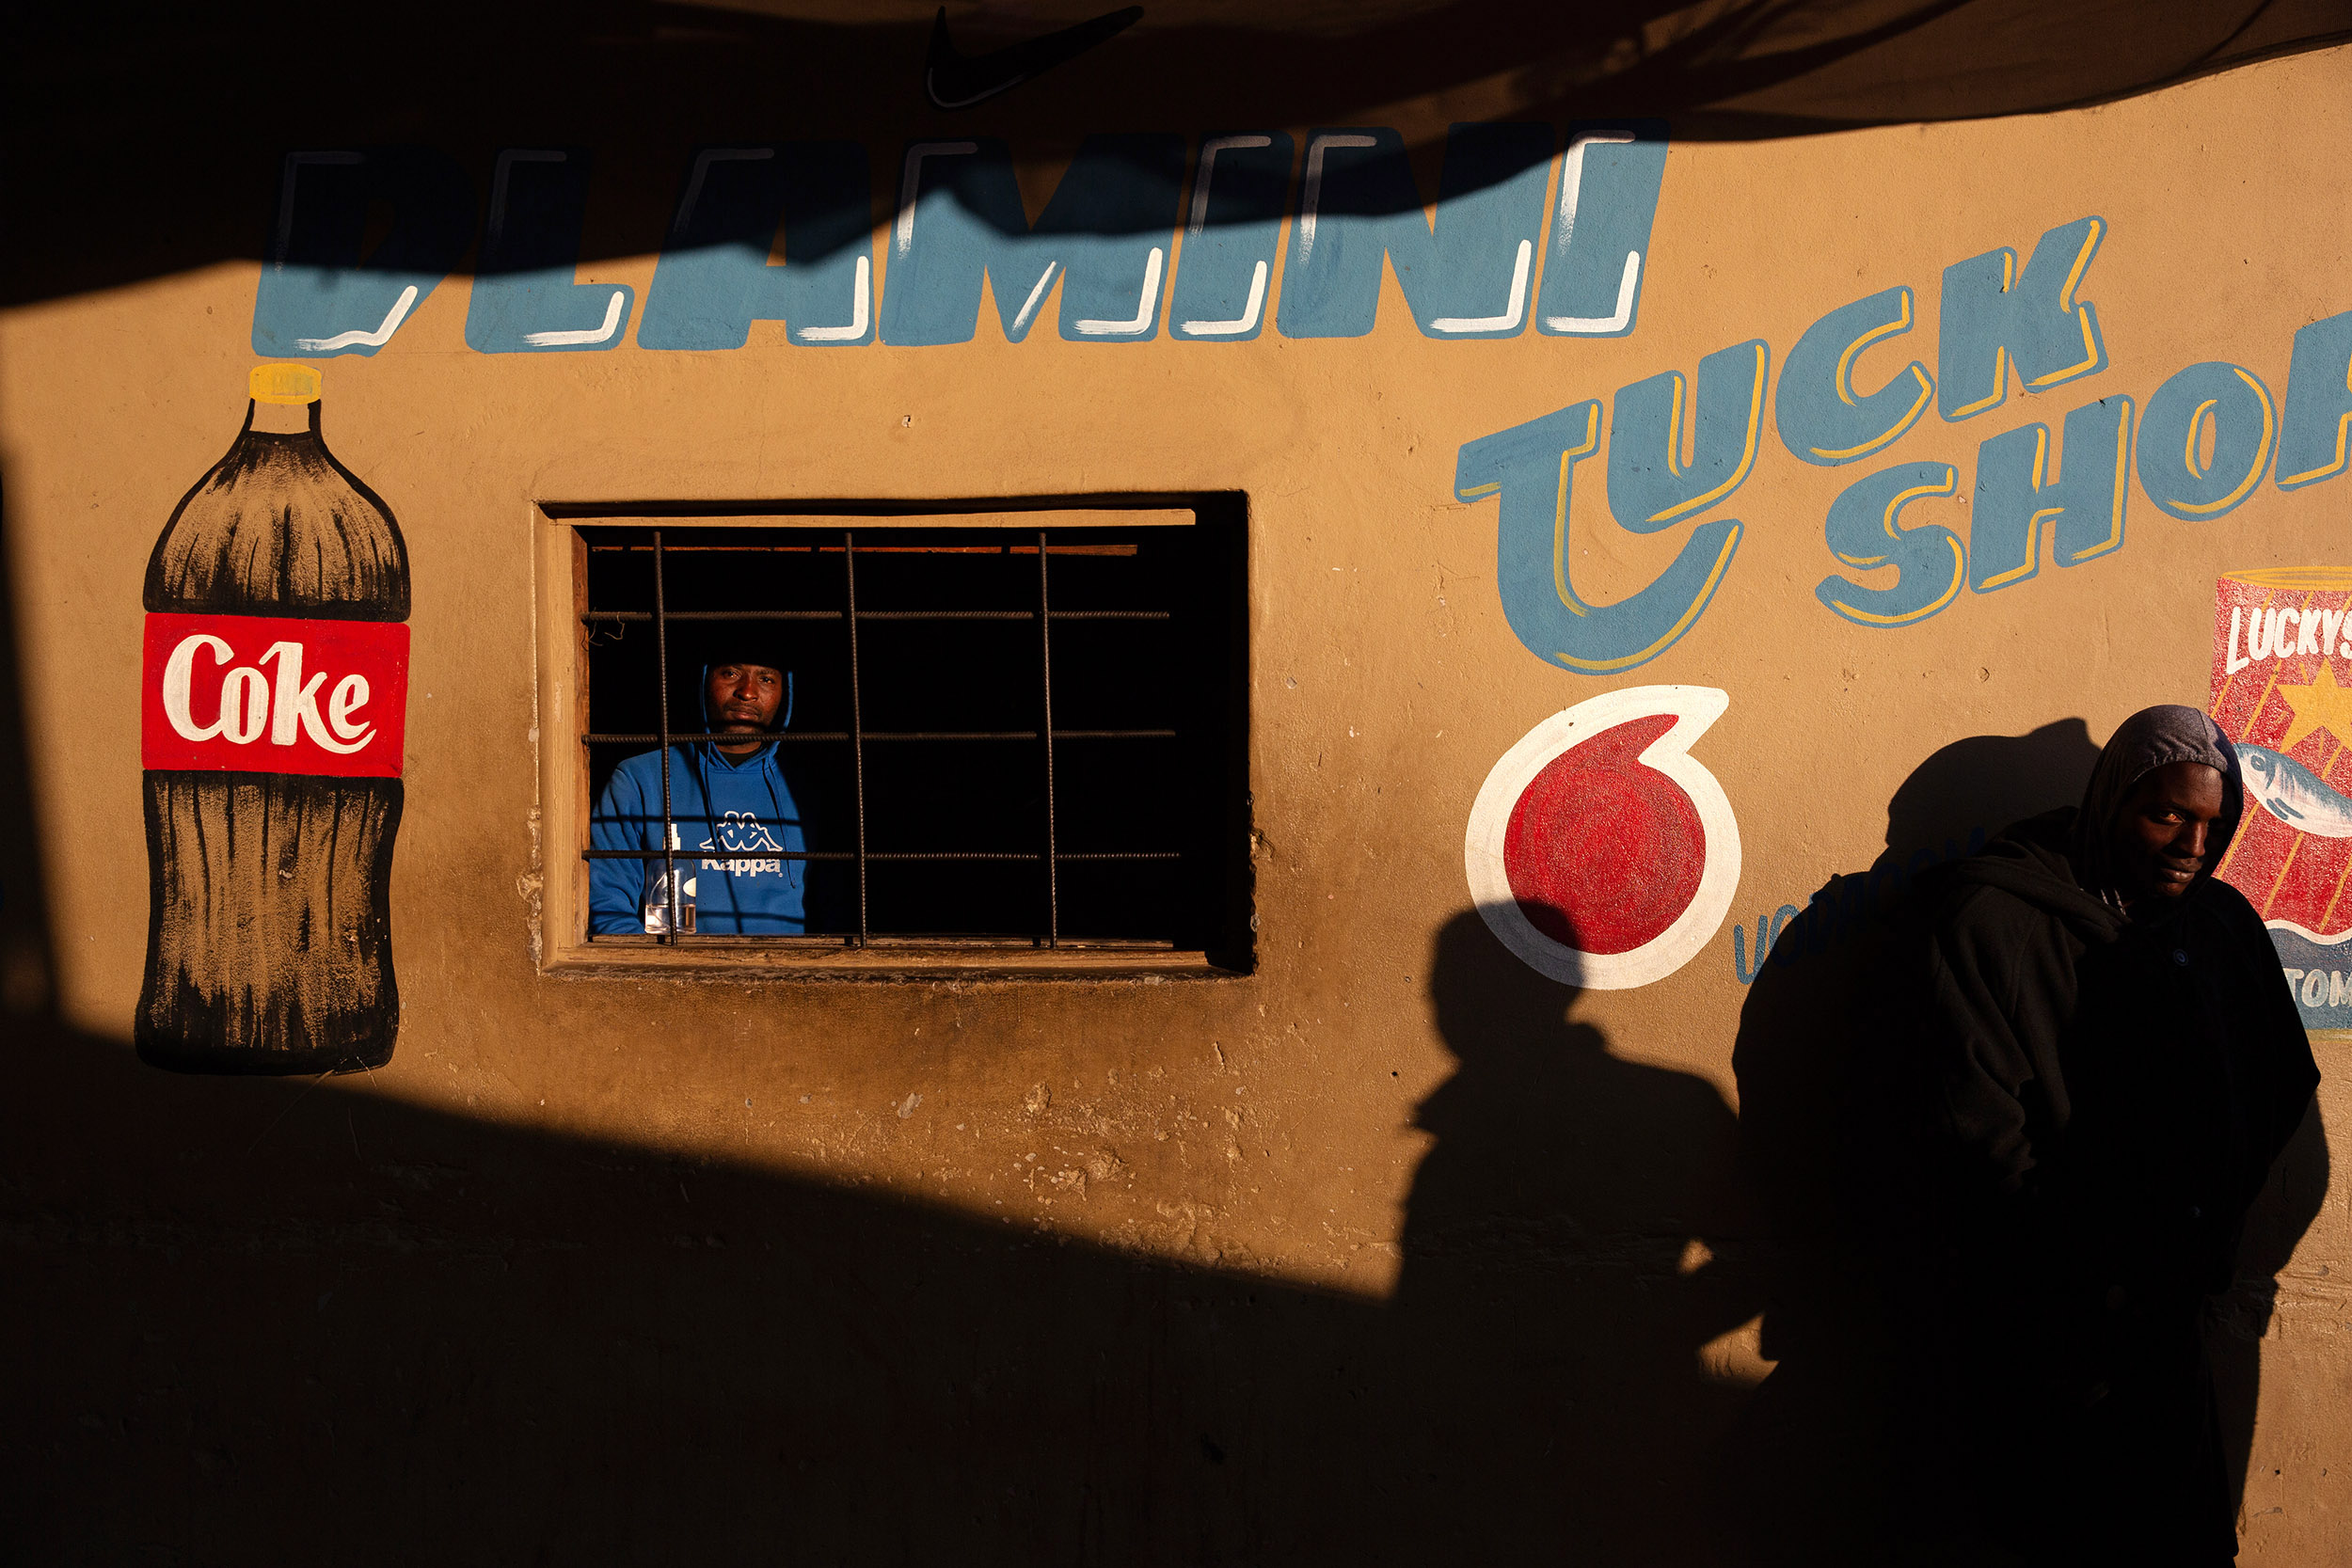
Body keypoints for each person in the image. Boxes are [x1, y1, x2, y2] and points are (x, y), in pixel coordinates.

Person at [1907, 705, 2319, 1564]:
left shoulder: (2219, 929)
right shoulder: (1999, 920)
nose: (2190, 845)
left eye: (2214, 823)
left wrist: (2204, 1225)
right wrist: (2089, 1266)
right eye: (2167, 813)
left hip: (2166, 1335)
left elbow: (2280, 1083)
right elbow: (1975, 1124)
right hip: (2040, 1334)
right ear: (2111, 803)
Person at [588, 640, 812, 934]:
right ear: (704, 680)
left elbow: (838, 912)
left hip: (788, 975)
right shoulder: (641, 778)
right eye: (731, 674)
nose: (747, 691)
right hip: (676, 976)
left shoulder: (807, 790)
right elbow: (607, 911)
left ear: (787, 693)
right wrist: (671, 975)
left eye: (766, 678)